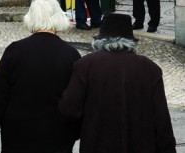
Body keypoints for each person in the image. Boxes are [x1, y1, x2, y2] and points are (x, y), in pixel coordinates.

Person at [59, 13, 176, 153]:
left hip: (96, 145)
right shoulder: (150, 69)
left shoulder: (85, 65)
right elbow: (161, 121)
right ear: (131, 40)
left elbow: (69, 108)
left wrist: (80, 131)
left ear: (100, 39)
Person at [0, 0, 81, 153]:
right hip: (57, 138)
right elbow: (77, 104)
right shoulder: (71, 55)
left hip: (17, 138)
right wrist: (71, 134)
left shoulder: (14, 51)